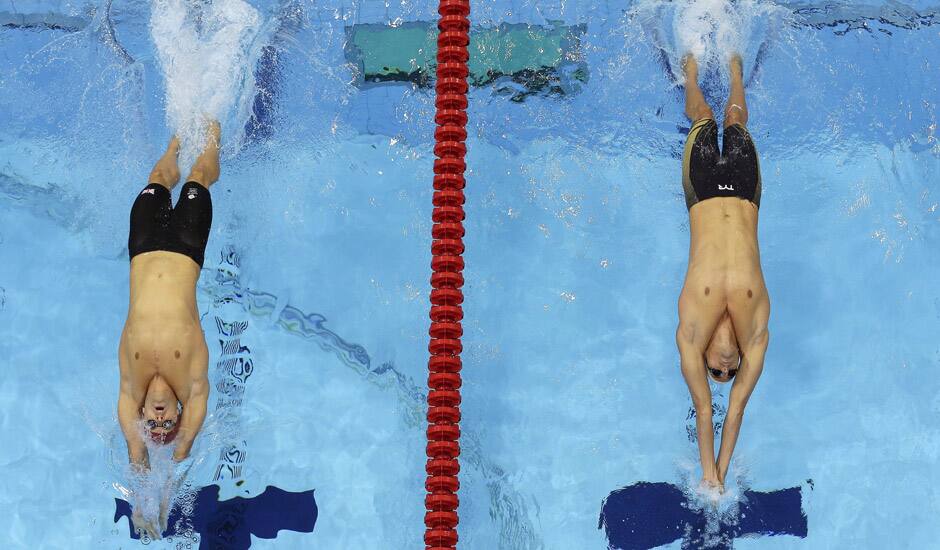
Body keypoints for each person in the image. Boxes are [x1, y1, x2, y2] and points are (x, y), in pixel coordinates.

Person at [117, 121, 220, 538]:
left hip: (142, 246)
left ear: (141, 414)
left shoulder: (131, 382)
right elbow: (184, 447)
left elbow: (136, 452)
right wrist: (164, 499)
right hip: (187, 246)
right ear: (178, 414)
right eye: (167, 424)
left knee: (158, 178)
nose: (159, 421)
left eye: (152, 424)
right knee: (199, 176)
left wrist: (143, 502)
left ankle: (176, 139)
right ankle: (213, 132)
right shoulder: (191, 378)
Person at [676, 54, 770, 493]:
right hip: (747, 190)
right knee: (734, 120)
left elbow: (706, 405)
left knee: (704, 116)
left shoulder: (693, 325)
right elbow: (734, 411)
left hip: (702, 190)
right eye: (726, 375)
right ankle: (734, 68)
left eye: (716, 370)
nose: (724, 370)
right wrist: (725, 472)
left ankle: (690, 70)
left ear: (705, 358)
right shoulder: (755, 332)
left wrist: (709, 475)